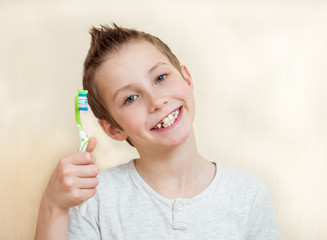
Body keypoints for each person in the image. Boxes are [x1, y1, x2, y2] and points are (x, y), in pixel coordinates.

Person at [35, 24, 279, 240]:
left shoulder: (249, 195)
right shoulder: (93, 200)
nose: (156, 101)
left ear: (187, 78)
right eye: (130, 98)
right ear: (113, 129)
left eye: (161, 77)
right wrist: (53, 207)